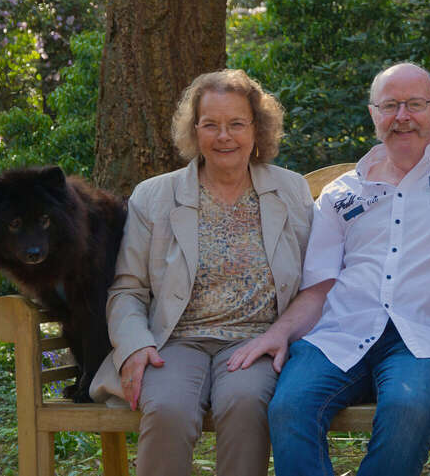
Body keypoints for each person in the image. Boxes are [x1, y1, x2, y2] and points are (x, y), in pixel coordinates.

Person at [227, 62, 430, 476]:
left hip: (424, 339)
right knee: (290, 406)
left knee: (407, 406)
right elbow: (318, 288)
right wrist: (278, 334)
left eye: (414, 105)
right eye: (390, 106)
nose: (402, 117)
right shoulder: (341, 194)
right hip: (341, 333)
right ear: (374, 115)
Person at [89, 70, 313, 476]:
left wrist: (280, 336)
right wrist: (135, 345)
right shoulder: (154, 196)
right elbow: (128, 289)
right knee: (169, 409)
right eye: (210, 124)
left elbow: (315, 279)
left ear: (256, 129)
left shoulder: (291, 191)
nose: (223, 136)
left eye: (236, 124)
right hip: (174, 341)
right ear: (195, 131)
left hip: (254, 340)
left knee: (246, 406)